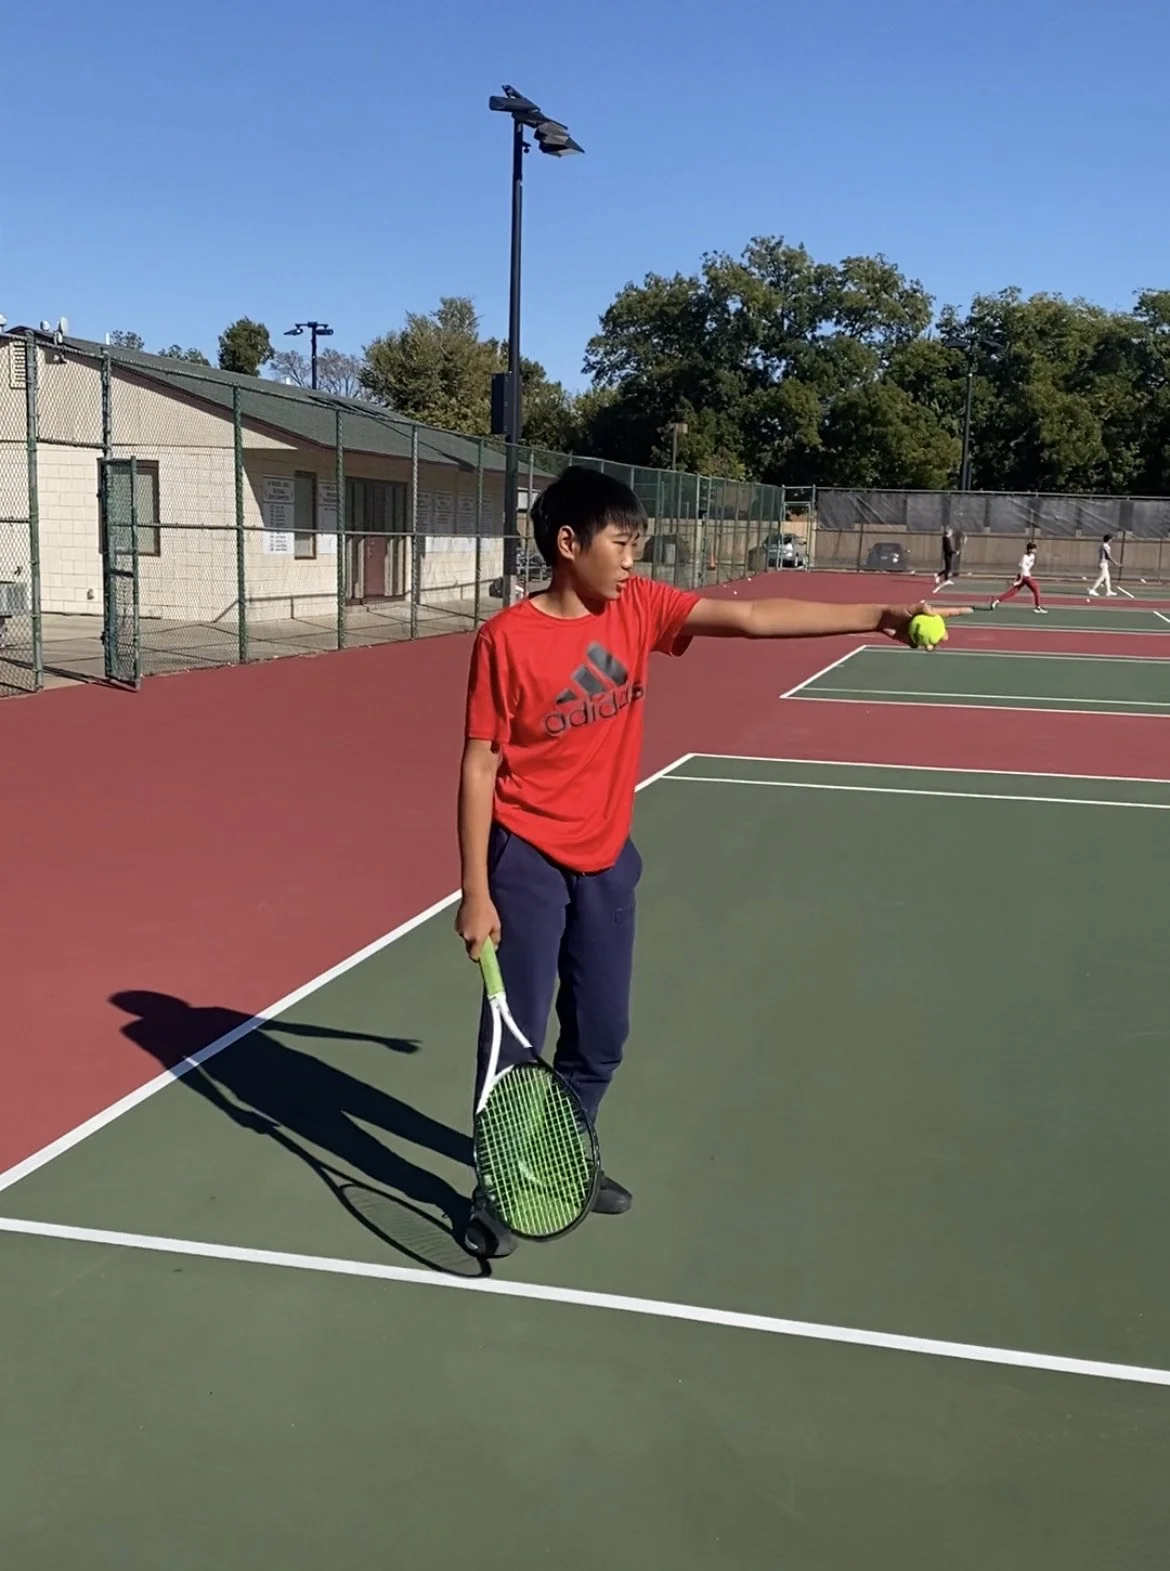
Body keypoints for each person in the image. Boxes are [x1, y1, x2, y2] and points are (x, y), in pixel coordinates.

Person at [454, 467, 971, 1257]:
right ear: (568, 543)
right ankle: (498, 1185)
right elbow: (480, 764)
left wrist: (878, 616)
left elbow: (755, 616)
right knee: (516, 1038)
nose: (633, 559)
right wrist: (475, 890)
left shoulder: (640, 607)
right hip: (525, 858)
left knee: (602, 1033)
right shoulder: (506, 640)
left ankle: (564, 1155)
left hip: (606, 857)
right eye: (621, 544)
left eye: (637, 545)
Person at [990, 543, 1047, 614]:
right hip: (1024, 576)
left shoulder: (1033, 556)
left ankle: (996, 601)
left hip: (1025, 576)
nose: (1036, 550)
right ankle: (1038, 607)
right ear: (1030, 550)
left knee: (1013, 591)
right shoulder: (1024, 557)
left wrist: (1026, 575)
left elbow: (1026, 566)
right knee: (1036, 588)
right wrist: (1020, 579)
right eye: (1034, 549)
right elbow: (1022, 568)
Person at [1088, 534, 1115, 598]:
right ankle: (1092, 589)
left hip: (1103, 563)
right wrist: (1115, 562)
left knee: (1107, 578)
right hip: (1103, 564)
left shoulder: (1102, 545)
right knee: (1101, 577)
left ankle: (1108, 591)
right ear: (1109, 540)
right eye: (1111, 539)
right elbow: (1108, 556)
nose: (1111, 540)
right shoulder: (1106, 546)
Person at [934, 523, 961, 587]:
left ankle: (940, 576)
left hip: (948, 555)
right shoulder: (946, 539)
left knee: (947, 568)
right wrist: (955, 552)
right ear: (948, 532)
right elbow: (948, 550)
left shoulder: (946, 539)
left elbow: (949, 549)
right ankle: (944, 579)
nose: (951, 533)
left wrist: (954, 552)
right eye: (951, 532)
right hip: (947, 555)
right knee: (948, 568)